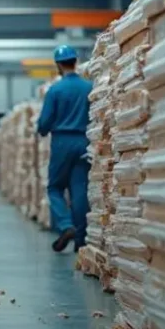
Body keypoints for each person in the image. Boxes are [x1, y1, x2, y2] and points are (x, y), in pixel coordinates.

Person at [37, 44, 94, 252]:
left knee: (55, 187)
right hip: (84, 141)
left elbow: (44, 122)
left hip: (62, 142)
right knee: (79, 190)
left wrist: (42, 130)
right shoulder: (89, 87)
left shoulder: (55, 90)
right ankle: (81, 241)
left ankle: (65, 225)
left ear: (58, 65)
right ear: (75, 62)